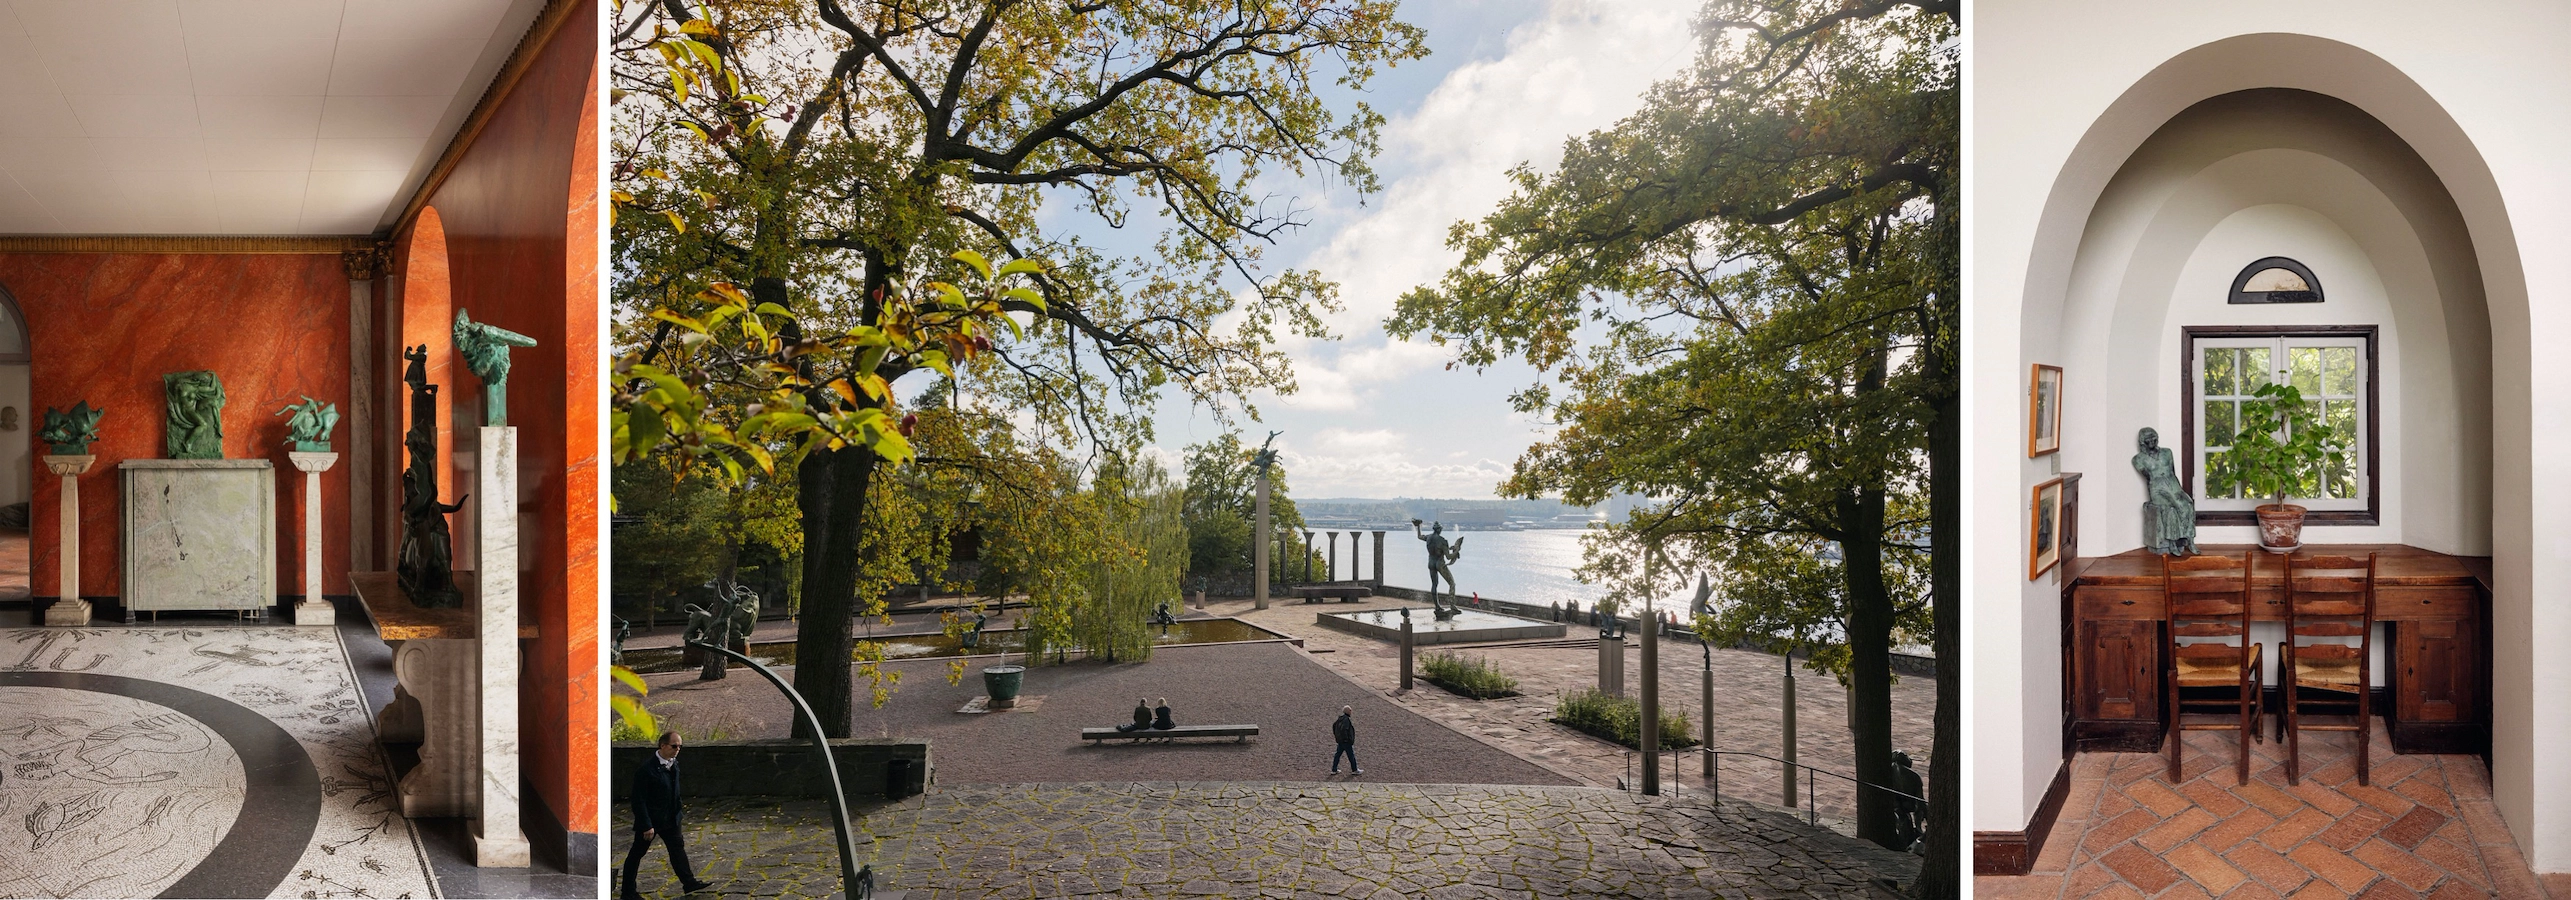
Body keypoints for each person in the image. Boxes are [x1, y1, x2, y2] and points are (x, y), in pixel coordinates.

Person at [620, 731, 711, 900]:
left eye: (680, 746)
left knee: (677, 851)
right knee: (636, 854)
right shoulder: (646, 770)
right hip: (652, 821)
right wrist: (646, 825)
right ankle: (628, 892)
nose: (677, 750)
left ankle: (689, 883)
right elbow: (638, 800)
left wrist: (678, 812)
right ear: (663, 746)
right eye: (674, 746)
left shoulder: (673, 764)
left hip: (671, 819)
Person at [1330, 706, 1361, 774]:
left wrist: (1337, 736)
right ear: (1349, 711)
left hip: (1340, 741)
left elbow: (1334, 726)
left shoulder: (1340, 719)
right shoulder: (1346, 720)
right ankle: (1355, 770)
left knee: (1337, 755)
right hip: (1346, 741)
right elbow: (1345, 729)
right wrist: (1346, 738)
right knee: (1351, 755)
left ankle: (1334, 769)